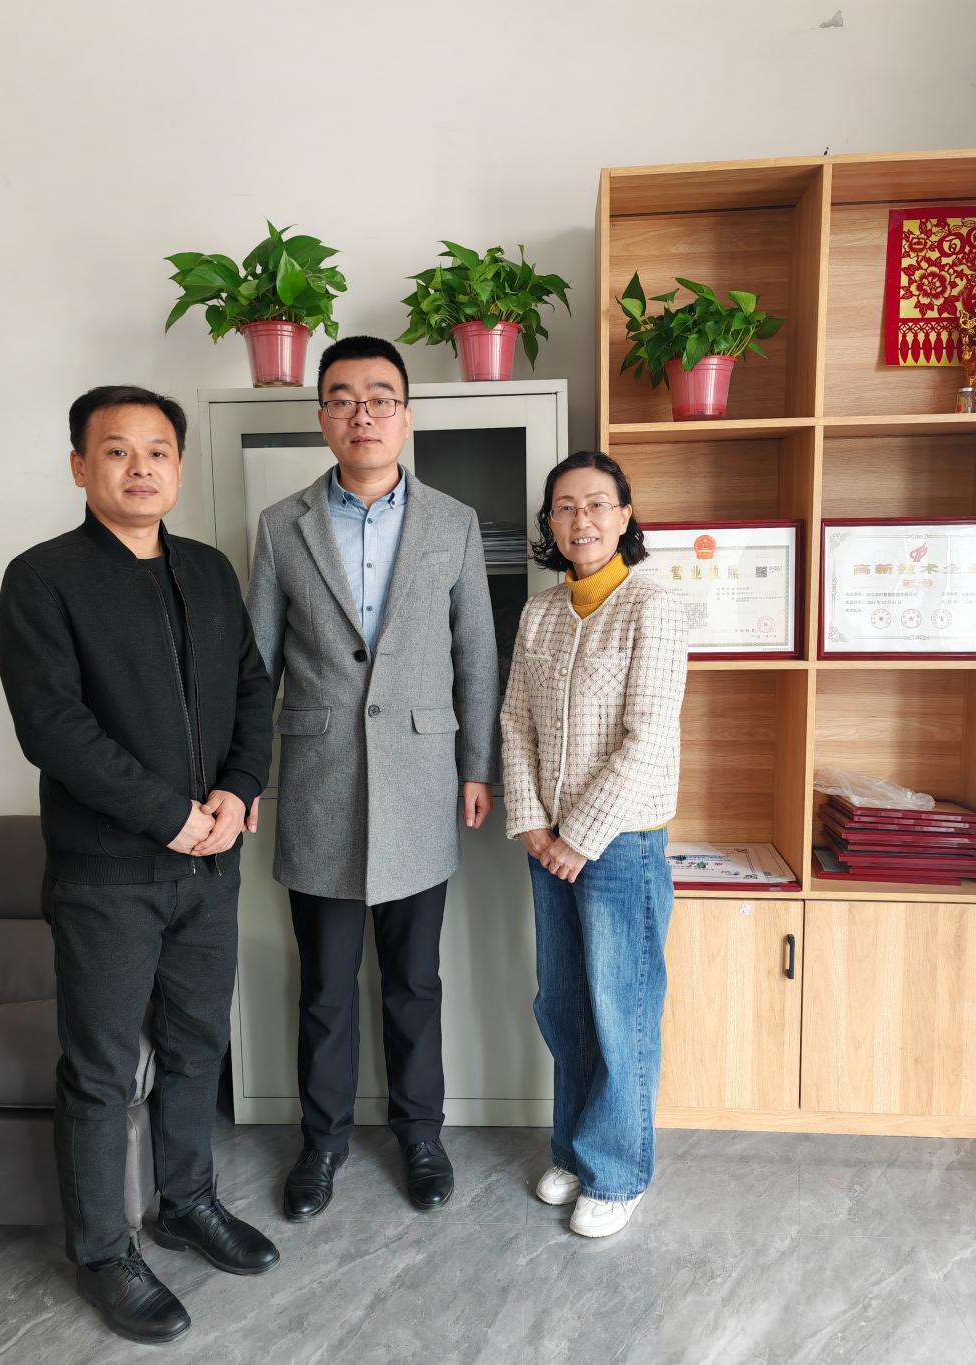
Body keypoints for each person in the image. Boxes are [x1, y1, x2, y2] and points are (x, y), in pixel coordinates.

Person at [0, 385, 278, 1345]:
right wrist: (169, 816)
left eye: (158, 450)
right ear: (80, 466)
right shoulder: (42, 578)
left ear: (179, 466)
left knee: (199, 1045)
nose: (141, 466)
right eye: (116, 450)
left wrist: (238, 789)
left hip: (210, 866)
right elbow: (53, 727)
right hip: (107, 873)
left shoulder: (208, 571)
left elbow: (252, 689)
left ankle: (187, 1202)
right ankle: (102, 1250)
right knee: (102, 1070)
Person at [247, 335, 498, 1219]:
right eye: (345, 399)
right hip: (317, 782)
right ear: (322, 417)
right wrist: (245, 777)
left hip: (422, 781)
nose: (364, 414)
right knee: (323, 986)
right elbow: (256, 664)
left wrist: (476, 765)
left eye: (380, 398)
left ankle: (420, 1136)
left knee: (414, 981)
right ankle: (320, 1145)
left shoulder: (453, 522)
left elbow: (476, 653)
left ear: (406, 416)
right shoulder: (280, 526)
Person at [500, 450, 688, 1239]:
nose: (581, 519)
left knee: (621, 1006)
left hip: (621, 844)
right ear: (549, 521)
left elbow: (648, 736)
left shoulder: (654, 605)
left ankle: (618, 1171)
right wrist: (532, 822)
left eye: (598, 503)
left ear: (625, 515)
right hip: (548, 844)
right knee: (564, 1003)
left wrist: (577, 835)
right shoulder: (540, 612)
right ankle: (575, 1152)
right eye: (565, 506)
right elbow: (515, 720)